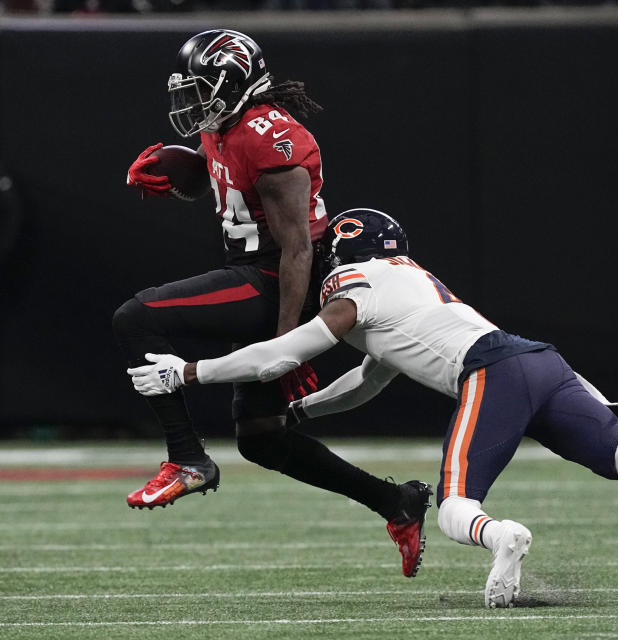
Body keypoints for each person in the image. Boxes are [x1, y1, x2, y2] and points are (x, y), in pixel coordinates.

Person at [128, 208, 618, 608]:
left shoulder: (352, 288)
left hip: (495, 372)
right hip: (537, 358)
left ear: (341, 251)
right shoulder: (411, 280)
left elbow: (278, 356)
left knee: (455, 503)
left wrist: (189, 371)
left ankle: (500, 537)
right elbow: (371, 379)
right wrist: (303, 418)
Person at [117, 30, 430, 577]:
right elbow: (226, 186)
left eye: (200, 90)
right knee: (262, 440)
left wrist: (288, 346)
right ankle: (397, 503)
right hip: (257, 269)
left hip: (277, 278)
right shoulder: (225, 124)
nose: (192, 105)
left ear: (235, 83)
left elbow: (297, 246)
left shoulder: (272, 135)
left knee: (136, 318)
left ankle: (187, 458)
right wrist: (179, 171)